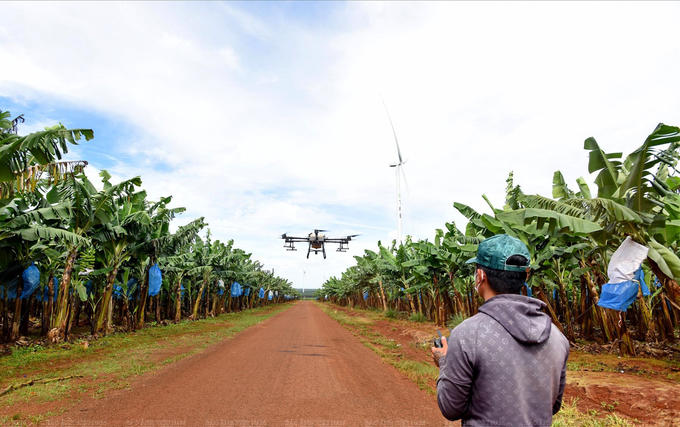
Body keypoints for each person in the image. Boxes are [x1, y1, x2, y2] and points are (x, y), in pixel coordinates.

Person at [431, 234, 569, 426]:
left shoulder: (467, 334)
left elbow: (450, 407)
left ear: (480, 276)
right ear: (525, 276)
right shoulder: (557, 337)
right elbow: (552, 405)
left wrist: (444, 360)